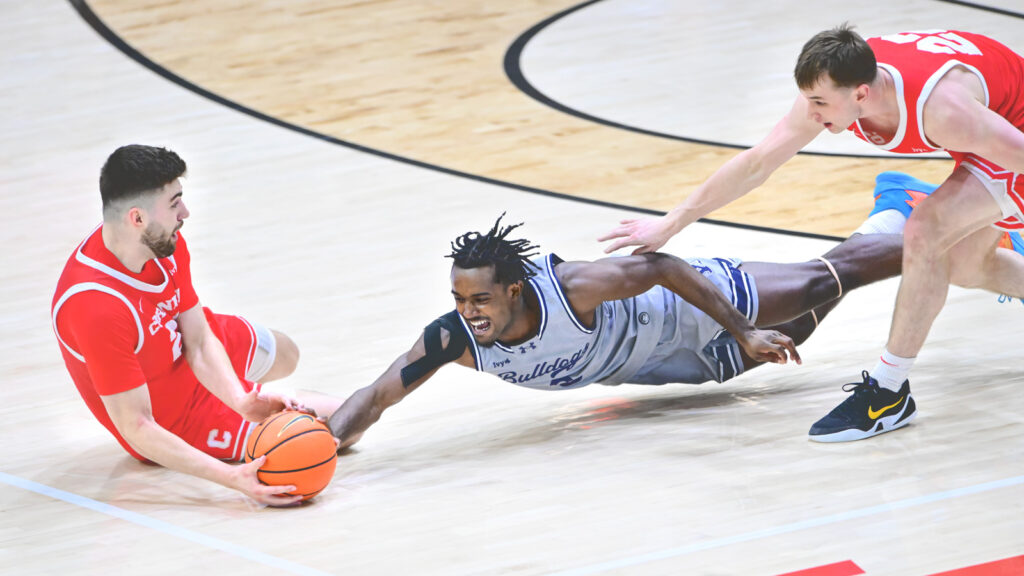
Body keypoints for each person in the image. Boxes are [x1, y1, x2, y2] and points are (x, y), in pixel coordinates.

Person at [598, 25, 1024, 442]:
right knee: (967, 265)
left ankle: (888, 392)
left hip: (1013, 132)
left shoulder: (944, 110)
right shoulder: (842, 86)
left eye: (819, 102)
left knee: (925, 231)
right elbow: (757, 163)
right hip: (987, 118)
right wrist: (672, 222)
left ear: (861, 94)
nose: (812, 113)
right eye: (808, 99)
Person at [328, 208, 907, 450]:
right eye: (459, 298)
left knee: (816, 284)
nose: (469, 310)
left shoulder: (571, 287)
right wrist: (326, 444)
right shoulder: (451, 339)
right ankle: (887, 219)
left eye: (480, 298)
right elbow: (377, 396)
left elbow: (659, 266)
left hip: (690, 304)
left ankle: (943, 241)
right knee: (807, 323)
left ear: (513, 290)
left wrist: (741, 329)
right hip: (677, 366)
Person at [52, 145, 341, 506]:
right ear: (137, 218)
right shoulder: (95, 308)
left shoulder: (160, 242)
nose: (185, 213)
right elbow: (136, 426)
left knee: (286, 354)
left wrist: (240, 400)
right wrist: (231, 479)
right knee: (328, 432)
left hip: (182, 346)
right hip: (172, 415)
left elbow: (200, 340)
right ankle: (280, 422)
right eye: (175, 204)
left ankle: (260, 404)